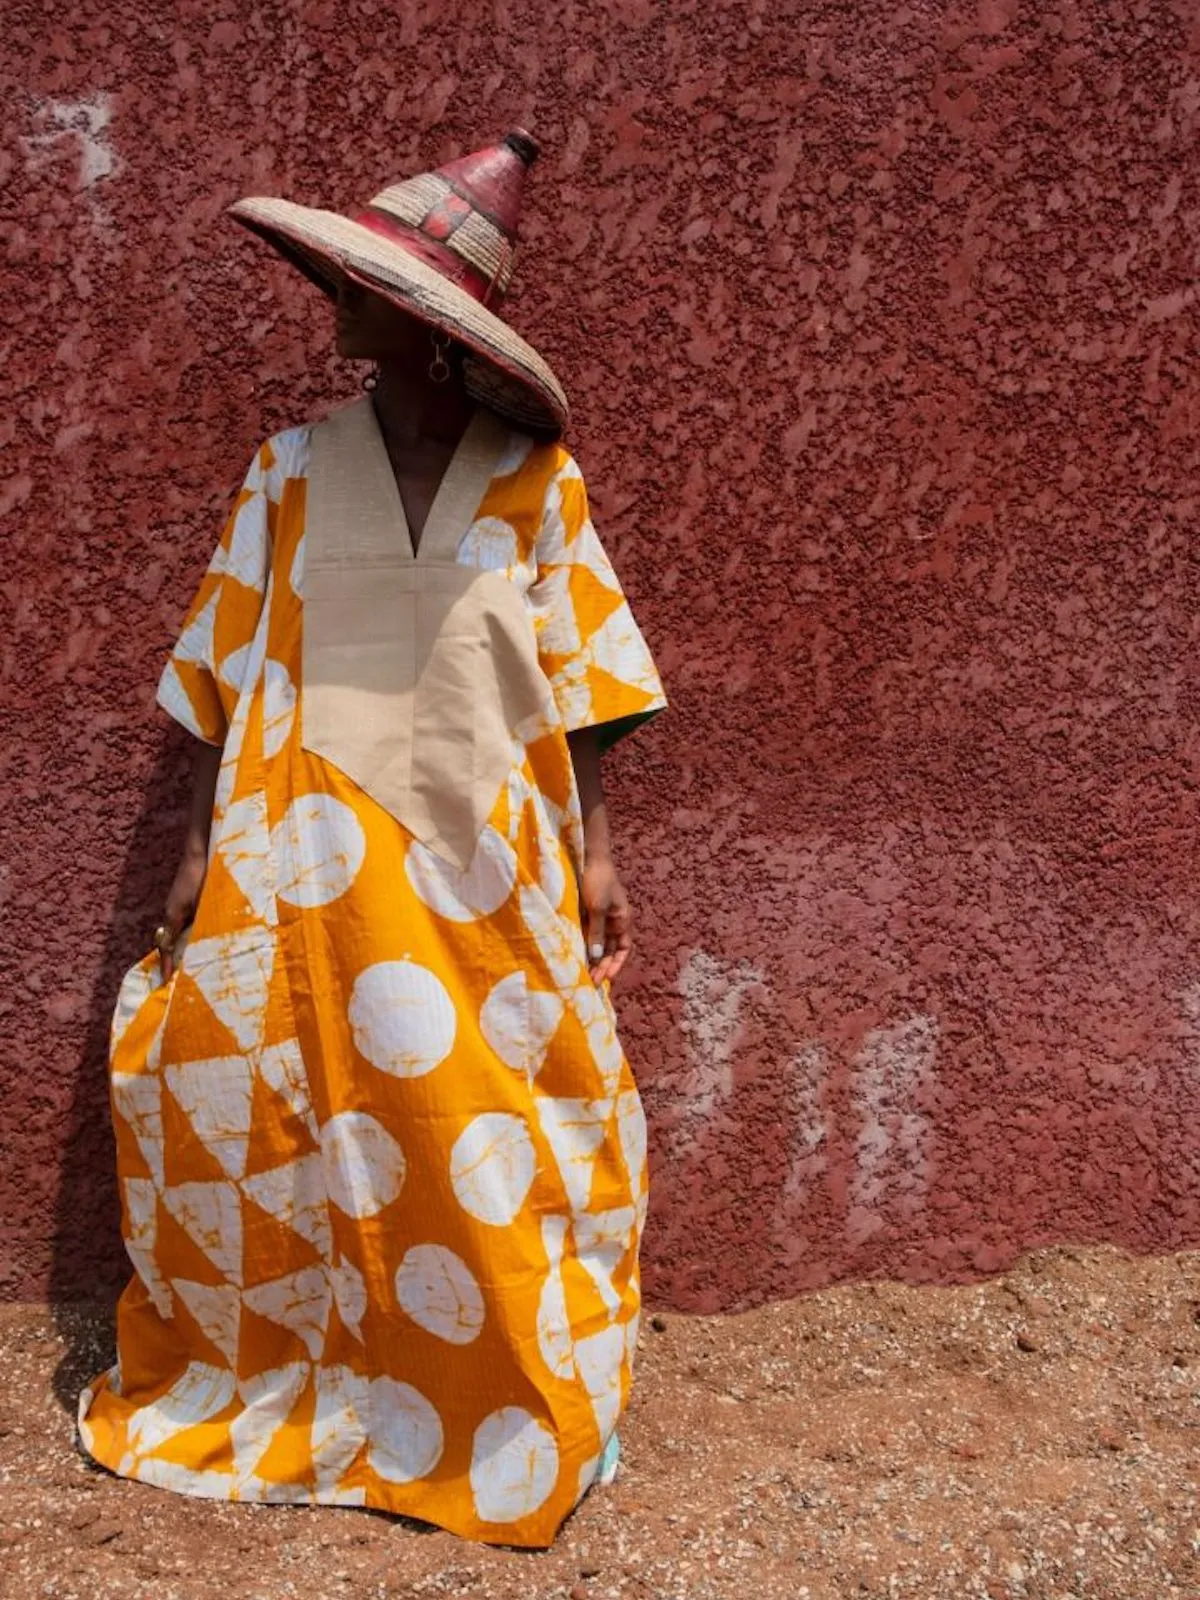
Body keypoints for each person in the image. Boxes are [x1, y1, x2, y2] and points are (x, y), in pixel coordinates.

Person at [78, 130, 666, 1549]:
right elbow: (224, 676)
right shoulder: (287, 473)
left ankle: (486, 1411)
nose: (330, 304)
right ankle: (304, 1391)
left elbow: (585, 686)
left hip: (482, 863)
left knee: (489, 1120)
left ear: (415, 321)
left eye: (355, 287)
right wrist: (192, 849)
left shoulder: (536, 487)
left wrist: (597, 850)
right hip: (297, 863)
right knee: (275, 1114)